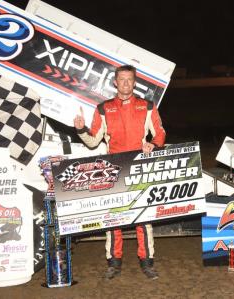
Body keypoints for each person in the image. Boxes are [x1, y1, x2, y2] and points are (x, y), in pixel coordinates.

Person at [74, 65, 166, 280]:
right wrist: (81, 129)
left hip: (140, 167)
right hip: (113, 170)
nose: (125, 83)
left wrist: (153, 144)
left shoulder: (148, 106)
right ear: (115, 82)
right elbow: (93, 140)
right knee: (113, 219)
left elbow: (160, 132)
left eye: (129, 80)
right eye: (121, 80)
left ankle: (147, 262)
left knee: (143, 218)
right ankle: (114, 263)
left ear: (135, 83)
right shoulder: (103, 108)